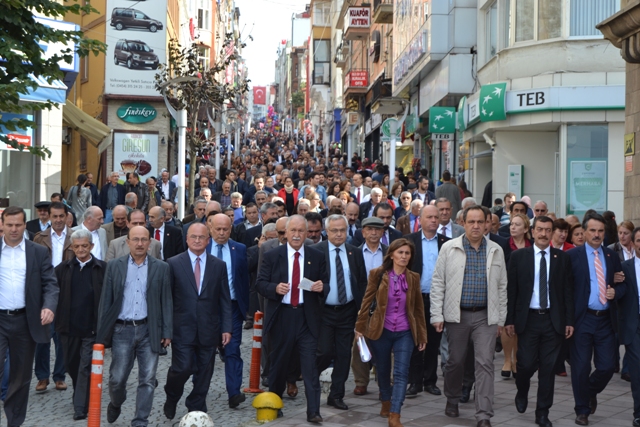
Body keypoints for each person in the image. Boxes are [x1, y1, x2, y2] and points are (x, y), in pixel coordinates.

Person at [431, 205, 508, 427]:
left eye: (480, 222)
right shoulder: (449, 248)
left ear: (487, 224)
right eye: (471, 222)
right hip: (457, 316)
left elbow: (502, 287)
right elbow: (438, 282)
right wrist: (437, 314)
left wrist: (500, 320)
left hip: (485, 316)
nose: (475, 226)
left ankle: (484, 414)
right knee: (455, 361)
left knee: (485, 363)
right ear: (463, 223)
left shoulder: (496, 250)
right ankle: (452, 398)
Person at [96, 225, 173, 426]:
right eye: (135, 239)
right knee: (117, 378)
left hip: (150, 330)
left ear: (150, 243)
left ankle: (140, 420)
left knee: (147, 379)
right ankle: (116, 402)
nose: (139, 243)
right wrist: (102, 333)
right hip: (122, 329)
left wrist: (167, 331)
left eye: (144, 239)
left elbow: (166, 300)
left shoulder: (161, 267)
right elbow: (106, 300)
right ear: (127, 242)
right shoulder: (114, 265)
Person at [256, 215, 329, 423]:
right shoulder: (272, 256)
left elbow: (326, 283)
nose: (297, 235)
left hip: (307, 317)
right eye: (293, 231)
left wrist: (322, 287)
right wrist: (274, 288)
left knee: (309, 366)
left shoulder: (316, 256)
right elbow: (259, 284)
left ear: (307, 234)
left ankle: (313, 411)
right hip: (282, 316)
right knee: (278, 364)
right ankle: (275, 402)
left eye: (301, 231)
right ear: (286, 233)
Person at [505, 216, 575, 427]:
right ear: (533, 232)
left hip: (553, 321)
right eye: (540, 230)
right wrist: (509, 319)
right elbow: (512, 291)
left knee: (548, 368)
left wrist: (569, 321)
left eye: (548, 230)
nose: (544, 234)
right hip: (528, 319)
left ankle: (542, 412)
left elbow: (567, 292)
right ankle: (522, 390)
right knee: (525, 364)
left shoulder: (561, 258)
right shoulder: (519, 257)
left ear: (552, 232)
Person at [354, 238, 427, 427]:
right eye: (400, 252)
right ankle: (386, 400)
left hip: (405, 332)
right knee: (383, 370)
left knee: (402, 372)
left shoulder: (413, 278)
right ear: (392, 254)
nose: (403, 256)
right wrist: (360, 328)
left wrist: (421, 335)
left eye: (407, 253)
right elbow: (366, 302)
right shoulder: (377, 274)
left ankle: (395, 413)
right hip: (381, 330)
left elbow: (418, 309)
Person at [163, 222, 232, 419]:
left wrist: (226, 328)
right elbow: (168, 299)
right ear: (186, 239)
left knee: (204, 372)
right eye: (193, 236)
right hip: (182, 327)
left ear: (208, 240)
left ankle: (196, 405)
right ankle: (172, 395)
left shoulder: (218, 265)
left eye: (201, 237)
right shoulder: (174, 263)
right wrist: (166, 330)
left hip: (209, 328)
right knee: (182, 368)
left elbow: (224, 299)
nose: (197, 240)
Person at [0, 206, 59, 426]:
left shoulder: (38, 251)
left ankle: (14, 422)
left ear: (25, 225)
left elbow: (51, 284)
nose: (14, 229)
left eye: (18, 225)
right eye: (9, 224)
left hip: (26, 321)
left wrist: (49, 306)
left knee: (21, 376)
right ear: (2, 225)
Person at [567, 214, 626, 426]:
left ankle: (590, 391)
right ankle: (582, 409)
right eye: (592, 230)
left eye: (600, 231)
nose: (597, 235)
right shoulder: (572, 256)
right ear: (584, 232)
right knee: (581, 367)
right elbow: (565, 290)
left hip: (605, 321)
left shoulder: (611, 256)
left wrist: (615, 292)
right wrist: (568, 321)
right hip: (582, 320)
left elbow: (622, 284)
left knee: (608, 366)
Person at [313, 215, 367, 411]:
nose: (338, 234)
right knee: (325, 352)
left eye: (342, 230)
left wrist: (362, 309)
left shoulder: (354, 252)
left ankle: (336, 395)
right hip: (324, 311)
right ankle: (311, 379)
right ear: (327, 232)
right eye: (334, 230)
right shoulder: (316, 251)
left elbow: (361, 281)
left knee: (344, 355)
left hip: (348, 310)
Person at [55, 229, 107, 420]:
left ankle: (80, 407)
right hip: (68, 328)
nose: (81, 250)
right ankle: (81, 394)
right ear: (71, 248)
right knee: (71, 366)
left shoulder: (102, 268)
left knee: (85, 367)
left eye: (84, 246)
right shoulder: (62, 269)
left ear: (91, 246)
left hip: (91, 329)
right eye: (76, 246)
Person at [205, 214, 249, 408]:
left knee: (233, 350)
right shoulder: (201, 247)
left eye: (225, 229)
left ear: (231, 229)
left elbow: (244, 279)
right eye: (218, 229)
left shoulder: (239, 249)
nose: (221, 233)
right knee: (204, 353)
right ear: (210, 228)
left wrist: (244, 308)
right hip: (206, 308)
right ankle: (199, 394)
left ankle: (234, 393)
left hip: (231, 307)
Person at [406, 205, 449, 397]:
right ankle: (415, 381)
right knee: (415, 339)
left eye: (436, 217)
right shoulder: (409, 241)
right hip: (415, 298)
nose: (433, 220)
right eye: (429, 217)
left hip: (437, 300)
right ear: (420, 220)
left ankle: (430, 380)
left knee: (433, 341)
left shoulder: (447, 243)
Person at [32, 202, 74, 393]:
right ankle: (42, 377)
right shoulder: (39, 238)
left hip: (67, 292)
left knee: (62, 338)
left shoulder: (75, 237)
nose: (57, 220)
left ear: (66, 217)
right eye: (54, 216)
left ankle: (59, 376)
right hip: (44, 293)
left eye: (61, 216)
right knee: (42, 337)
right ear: (49, 217)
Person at [352, 217, 387, 395]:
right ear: (363, 232)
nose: (373, 233)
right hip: (362, 305)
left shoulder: (389, 253)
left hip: (385, 306)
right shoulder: (355, 253)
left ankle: (384, 382)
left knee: (385, 345)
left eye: (377, 229)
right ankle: (361, 381)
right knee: (359, 344)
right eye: (369, 229)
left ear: (382, 232)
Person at [618, 226, 640, 426]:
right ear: (633, 244)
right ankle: (639, 413)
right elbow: (619, 292)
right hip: (635, 327)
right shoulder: (625, 268)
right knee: (638, 370)